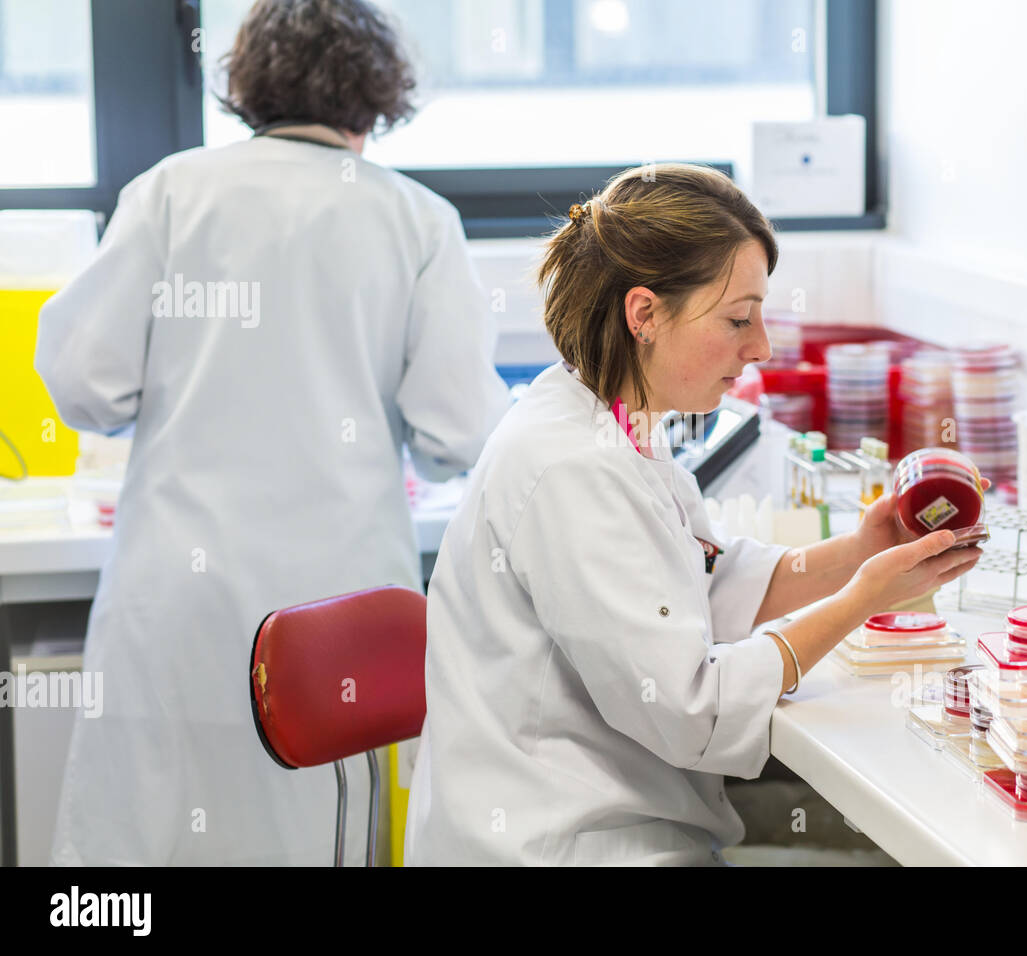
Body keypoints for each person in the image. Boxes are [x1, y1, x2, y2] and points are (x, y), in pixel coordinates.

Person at [35, 0, 510, 865]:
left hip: (179, 600)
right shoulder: (416, 219)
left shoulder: (172, 191)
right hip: (333, 619)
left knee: (150, 845)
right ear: (377, 96)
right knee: (316, 836)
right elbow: (459, 432)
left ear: (250, 83)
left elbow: (83, 383)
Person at [402, 164, 983, 866]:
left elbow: (701, 587)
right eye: (738, 318)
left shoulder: (613, 419)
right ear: (643, 314)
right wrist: (861, 601)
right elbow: (690, 709)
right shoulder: (571, 467)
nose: (761, 346)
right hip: (565, 846)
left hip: (624, 819)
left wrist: (861, 550)